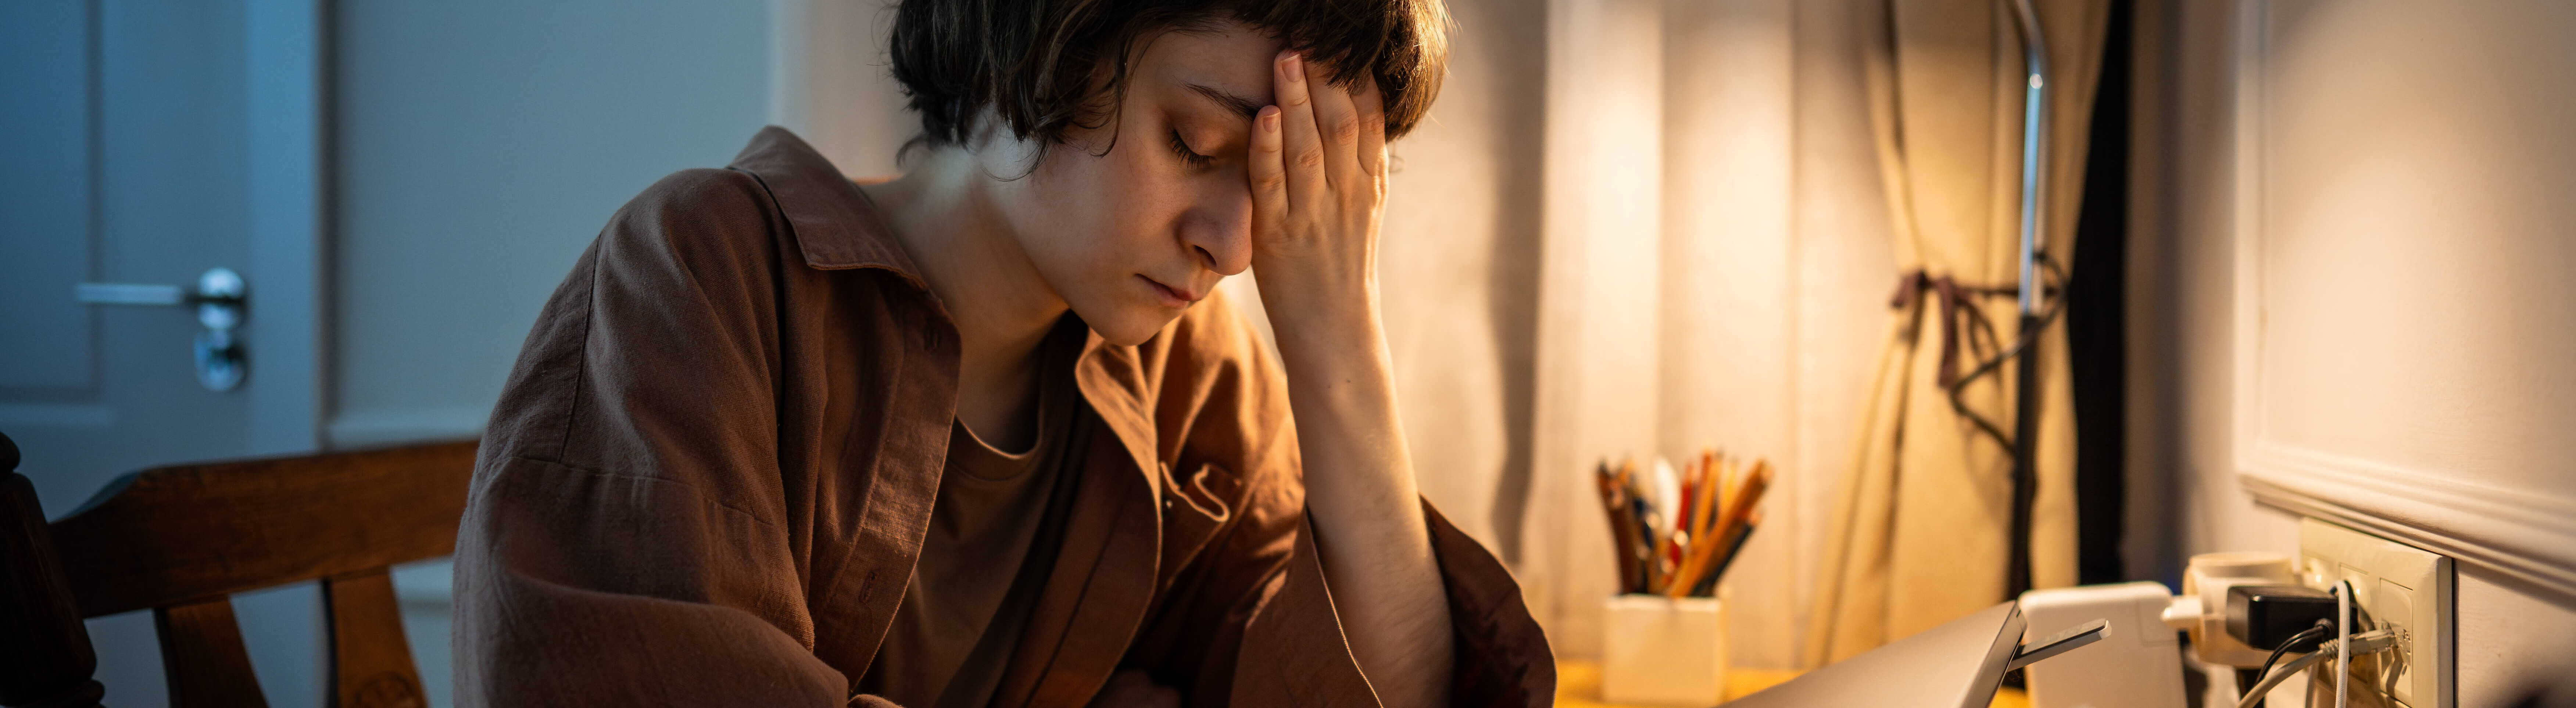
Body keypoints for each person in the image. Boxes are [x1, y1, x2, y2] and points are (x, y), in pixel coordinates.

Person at [451, 0, 1551, 705]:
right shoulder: (703, 272)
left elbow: (1380, 695)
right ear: (1044, 41)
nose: (1233, 246)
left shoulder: (1194, 377)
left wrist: (1339, 339)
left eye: (1277, 192)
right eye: (1196, 145)